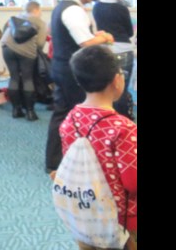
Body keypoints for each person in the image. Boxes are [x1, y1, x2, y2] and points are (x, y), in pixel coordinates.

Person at [59, 45, 137, 249]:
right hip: (120, 220)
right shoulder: (123, 127)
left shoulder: (70, 120)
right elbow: (132, 182)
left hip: (83, 211)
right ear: (117, 80)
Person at [45, 0, 115, 174]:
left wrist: (96, 36)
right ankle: (58, 161)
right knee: (70, 115)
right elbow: (85, 42)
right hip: (70, 70)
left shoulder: (64, 7)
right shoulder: (73, 10)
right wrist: (105, 38)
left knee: (65, 113)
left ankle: (59, 160)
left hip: (63, 66)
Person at [91, 0, 135, 118]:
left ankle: (107, 118)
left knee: (106, 87)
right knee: (120, 88)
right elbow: (129, 32)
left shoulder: (96, 6)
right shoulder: (121, 8)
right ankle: (122, 120)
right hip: (123, 49)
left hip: (104, 49)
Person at [1, 1, 49, 121]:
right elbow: (40, 44)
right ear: (37, 10)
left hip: (7, 48)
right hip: (27, 52)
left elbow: (5, 32)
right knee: (28, 79)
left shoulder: (15, 18)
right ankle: (30, 112)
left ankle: (16, 110)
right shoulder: (40, 23)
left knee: (14, 77)